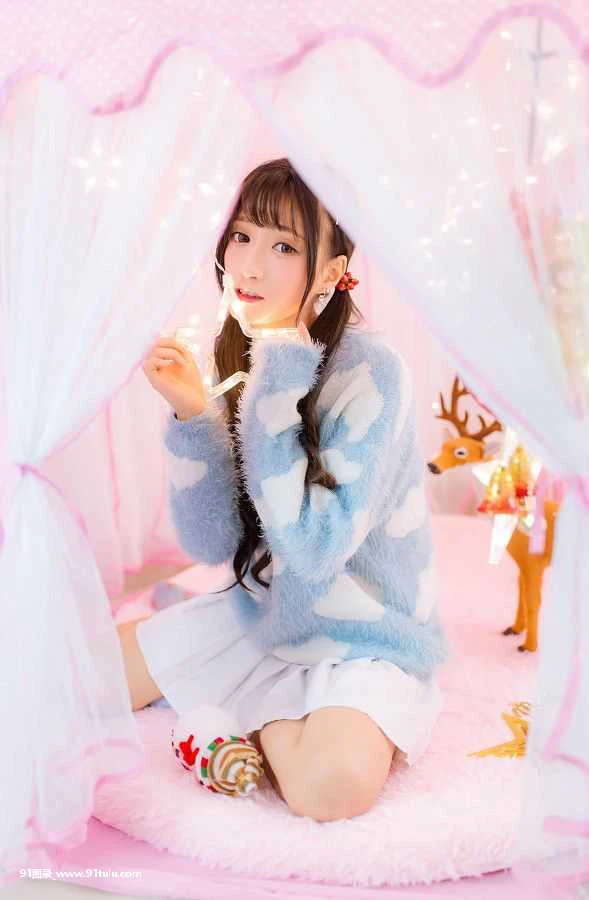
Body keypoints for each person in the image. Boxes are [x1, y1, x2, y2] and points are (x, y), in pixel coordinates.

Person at [117, 157, 449, 823]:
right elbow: (210, 542)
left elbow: (316, 548)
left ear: (332, 271)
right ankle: (248, 707)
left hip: (364, 634)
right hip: (261, 614)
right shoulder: (237, 348)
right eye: (241, 236)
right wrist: (193, 417)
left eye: (284, 247)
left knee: (330, 790)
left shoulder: (374, 373)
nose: (249, 266)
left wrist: (280, 380)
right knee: (71, 679)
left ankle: (254, 720)